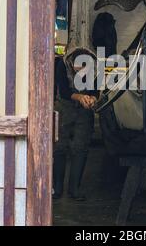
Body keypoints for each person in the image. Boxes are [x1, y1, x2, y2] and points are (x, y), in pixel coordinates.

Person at [53, 47, 98, 201]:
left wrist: (92, 99)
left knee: (80, 147)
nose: (80, 73)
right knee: (60, 146)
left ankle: (75, 189)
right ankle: (56, 189)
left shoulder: (94, 65)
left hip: (84, 110)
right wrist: (79, 97)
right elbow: (64, 91)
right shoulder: (61, 64)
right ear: (72, 63)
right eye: (78, 70)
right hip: (64, 105)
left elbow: (95, 90)